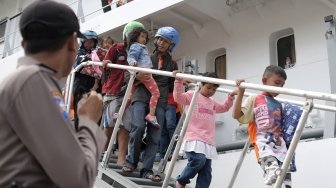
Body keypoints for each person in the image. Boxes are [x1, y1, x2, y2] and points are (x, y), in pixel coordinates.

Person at [0, 1, 106, 187]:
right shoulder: (33, 81)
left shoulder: (26, 80)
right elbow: (78, 179)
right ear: (72, 43)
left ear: (24, 44)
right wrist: (89, 121)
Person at [122, 26, 180, 182]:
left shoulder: (173, 65)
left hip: (159, 102)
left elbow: (172, 86)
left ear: (171, 45)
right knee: (138, 127)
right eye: (160, 39)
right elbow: (128, 77)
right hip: (140, 95)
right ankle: (132, 162)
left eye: (165, 41)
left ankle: (146, 170)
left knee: (155, 137)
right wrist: (138, 76)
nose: (161, 43)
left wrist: (178, 78)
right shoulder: (143, 53)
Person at [173, 72, 237, 188]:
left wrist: (231, 96)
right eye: (208, 87)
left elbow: (224, 108)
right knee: (198, 160)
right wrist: (178, 81)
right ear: (200, 84)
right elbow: (178, 97)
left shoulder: (212, 102)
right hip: (194, 137)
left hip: (208, 141)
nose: (211, 91)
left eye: (214, 89)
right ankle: (182, 180)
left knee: (206, 172)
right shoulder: (192, 95)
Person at [232, 65, 289, 187]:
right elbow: (237, 115)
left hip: (280, 146)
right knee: (273, 173)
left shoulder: (279, 104)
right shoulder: (255, 98)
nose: (279, 88)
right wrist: (241, 92)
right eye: (277, 83)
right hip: (264, 145)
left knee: (285, 182)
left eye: (282, 85)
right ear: (264, 81)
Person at [101, 21, 145, 164]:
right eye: (135, 36)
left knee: (125, 126)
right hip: (113, 91)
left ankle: (121, 159)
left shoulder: (141, 53)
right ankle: (101, 152)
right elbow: (106, 63)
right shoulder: (116, 48)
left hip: (130, 93)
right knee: (109, 125)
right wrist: (106, 62)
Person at [127, 27, 160, 128]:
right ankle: (151, 115)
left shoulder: (140, 47)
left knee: (129, 95)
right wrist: (133, 63)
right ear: (135, 36)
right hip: (145, 72)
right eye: (142, 36)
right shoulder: (137, 46)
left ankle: (119, 112)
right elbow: (131, 57)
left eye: (145, 37)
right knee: (156, 93)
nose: (144, 39)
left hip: (140, 72)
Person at [72, 30, 99, 127]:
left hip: (94, 88)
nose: (90, 44)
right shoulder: (78, 52)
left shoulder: (96, 53)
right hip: (81, 86)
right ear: (83, 42)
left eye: (92, 42)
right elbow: (78, 63)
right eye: (87, 41)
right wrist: (92, 59)